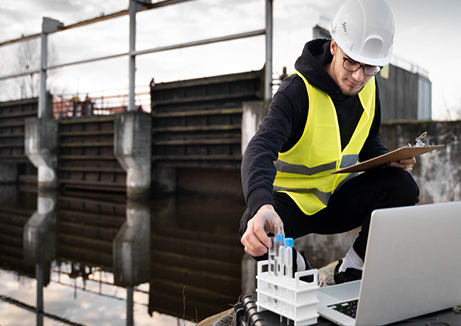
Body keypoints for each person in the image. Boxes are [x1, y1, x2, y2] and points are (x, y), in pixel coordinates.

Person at [239, 0, 420, 284]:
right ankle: (303, 274)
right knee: (255, 228)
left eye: (370, 67)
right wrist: (263, 206)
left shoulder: (369, 86)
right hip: (293, 206)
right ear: (334, 46)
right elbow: (259, 149)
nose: (359, 76)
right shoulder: (296, 92)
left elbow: (367, 139)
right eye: (351, 62)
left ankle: (352, 270)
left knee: (403, 185)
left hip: (338, 200)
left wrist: (388, 159)